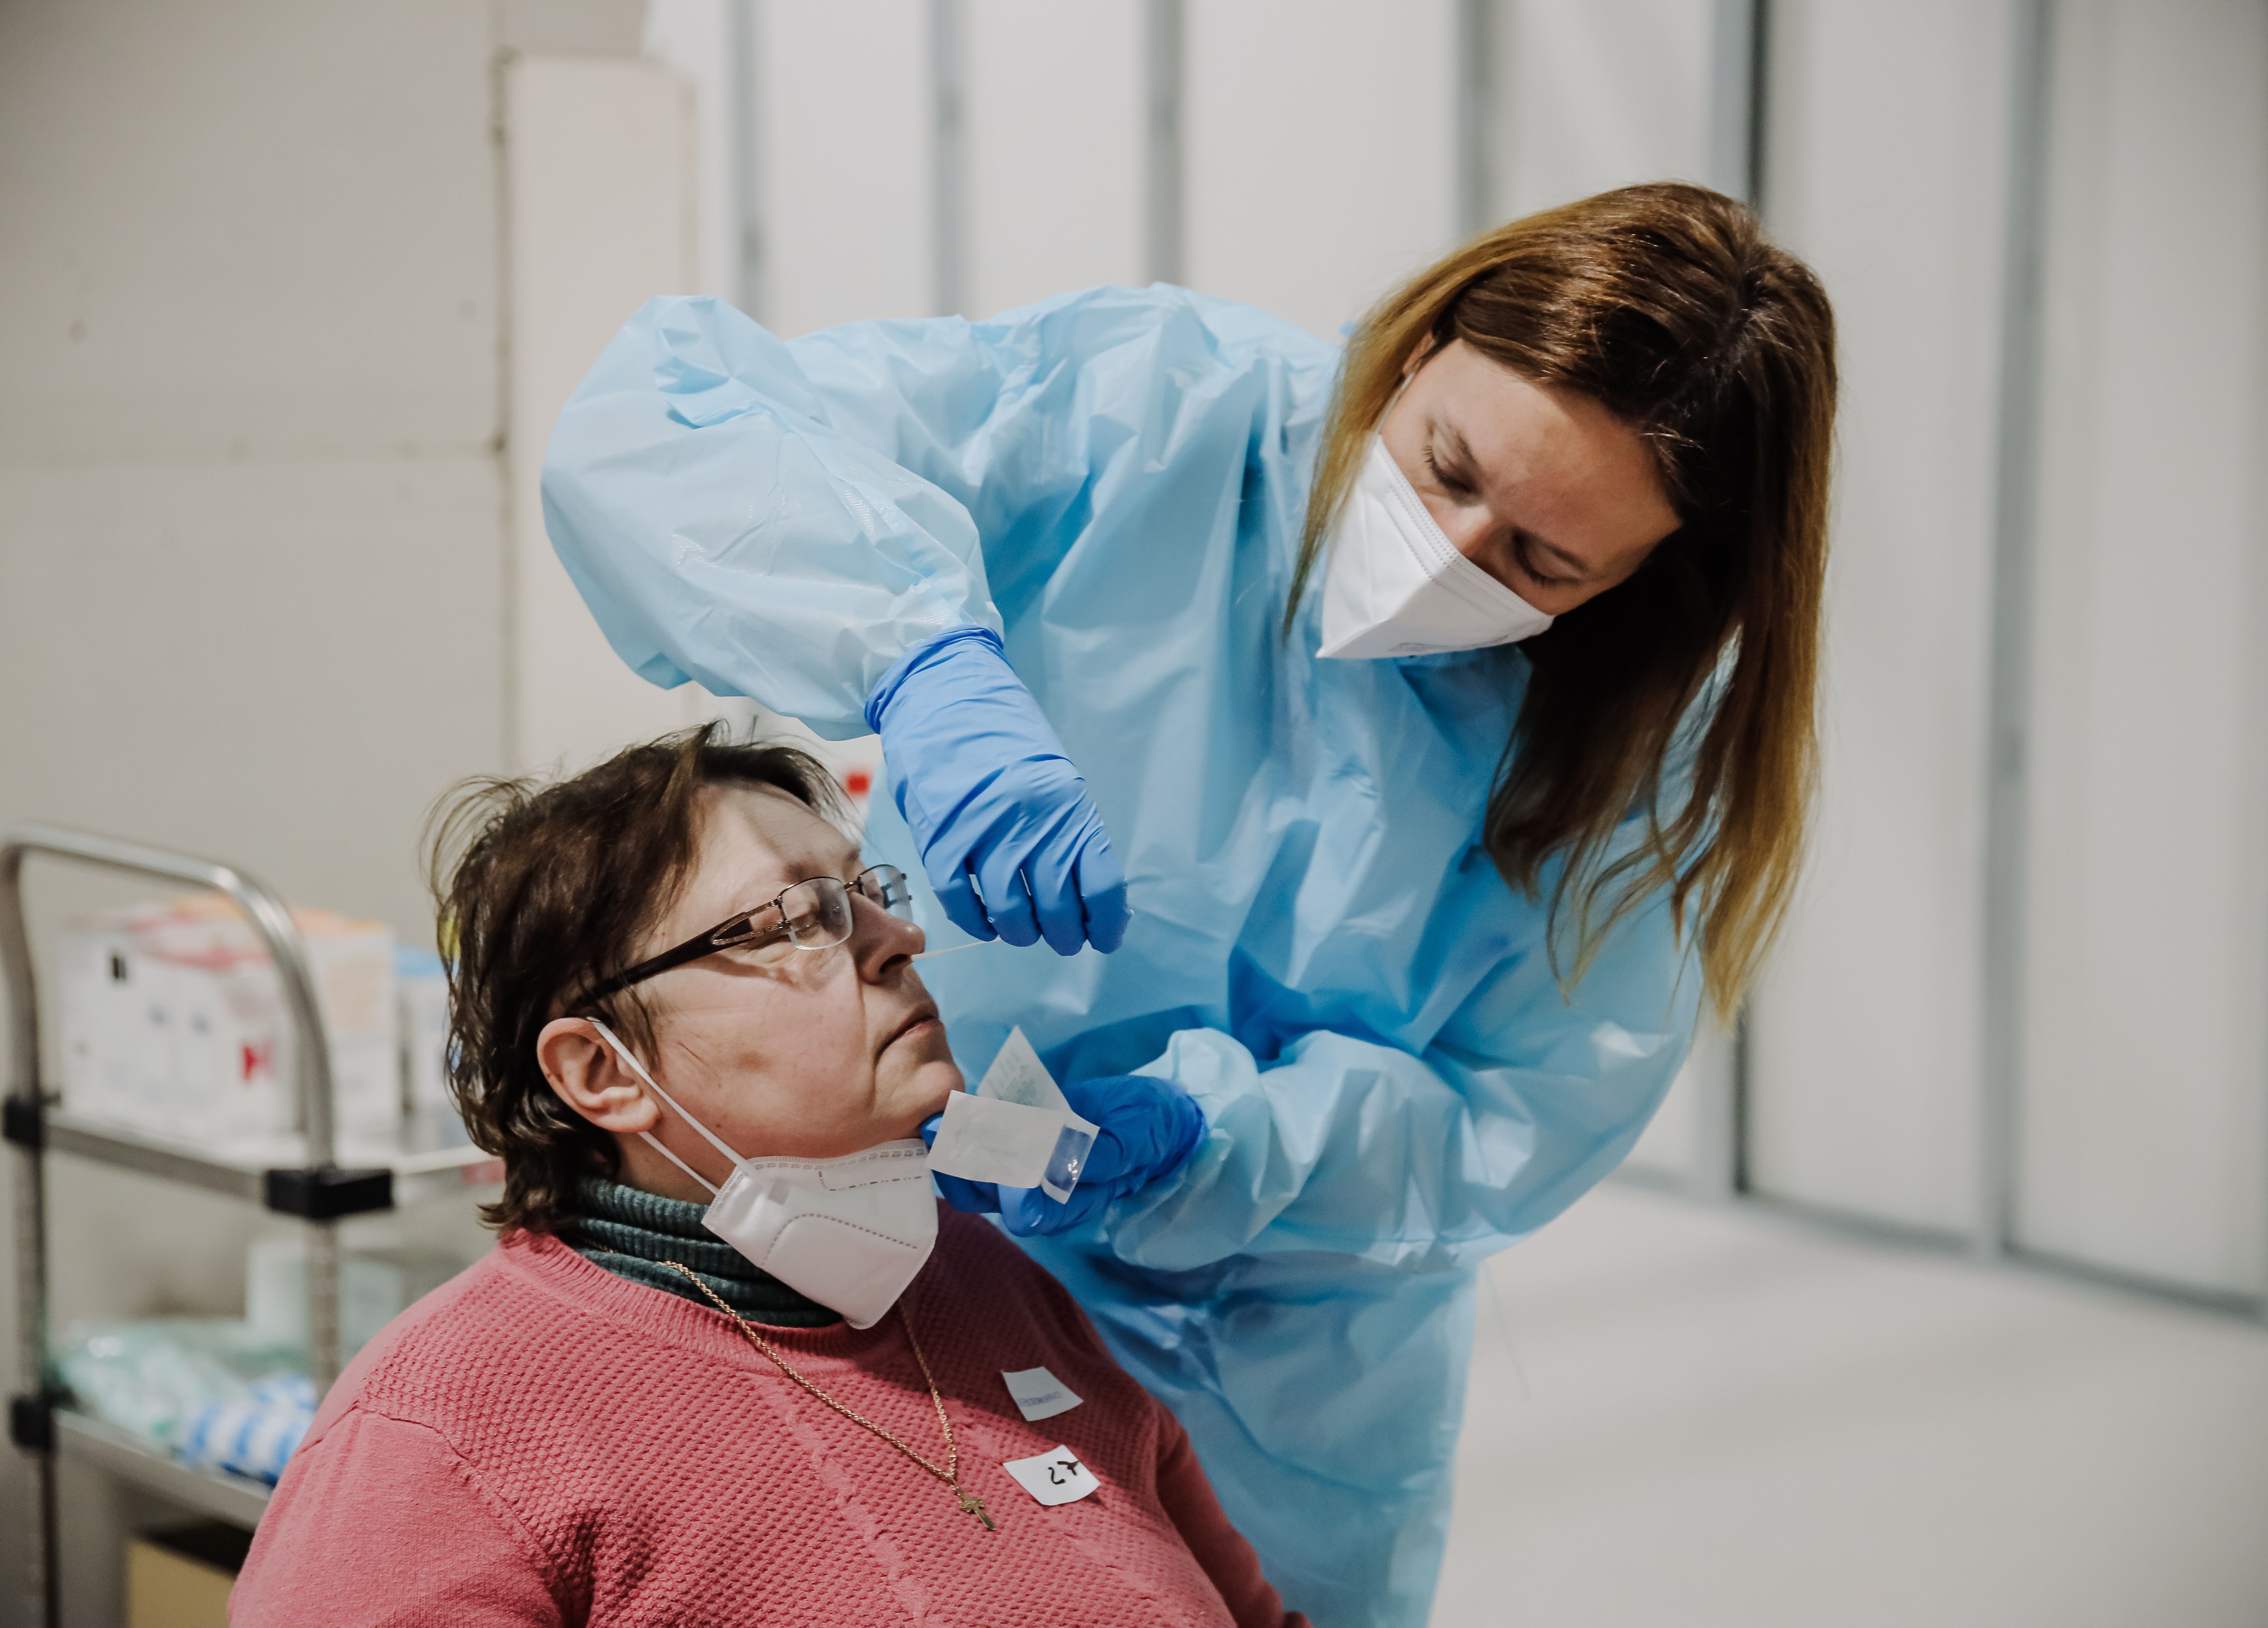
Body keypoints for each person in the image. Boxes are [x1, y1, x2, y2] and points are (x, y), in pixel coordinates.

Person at [541, 182, 1836, 1627]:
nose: (1452, 552)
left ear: (1646, 581)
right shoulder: (1155, 414)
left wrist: (1227, 1145)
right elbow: (664, 424)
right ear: (1416, 353)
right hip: (930, 1247)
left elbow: (1516, 1119)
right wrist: (919, 646)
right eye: (1445, 465)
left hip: (1298, 1377)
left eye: (1544, 560)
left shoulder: (1649, 736)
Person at [229, 728, 1305, 1628]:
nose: (899, 938)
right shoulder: (447, 1433)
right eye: (798, 920)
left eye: (868, 894)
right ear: (605, 1071)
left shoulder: (994, 1283)